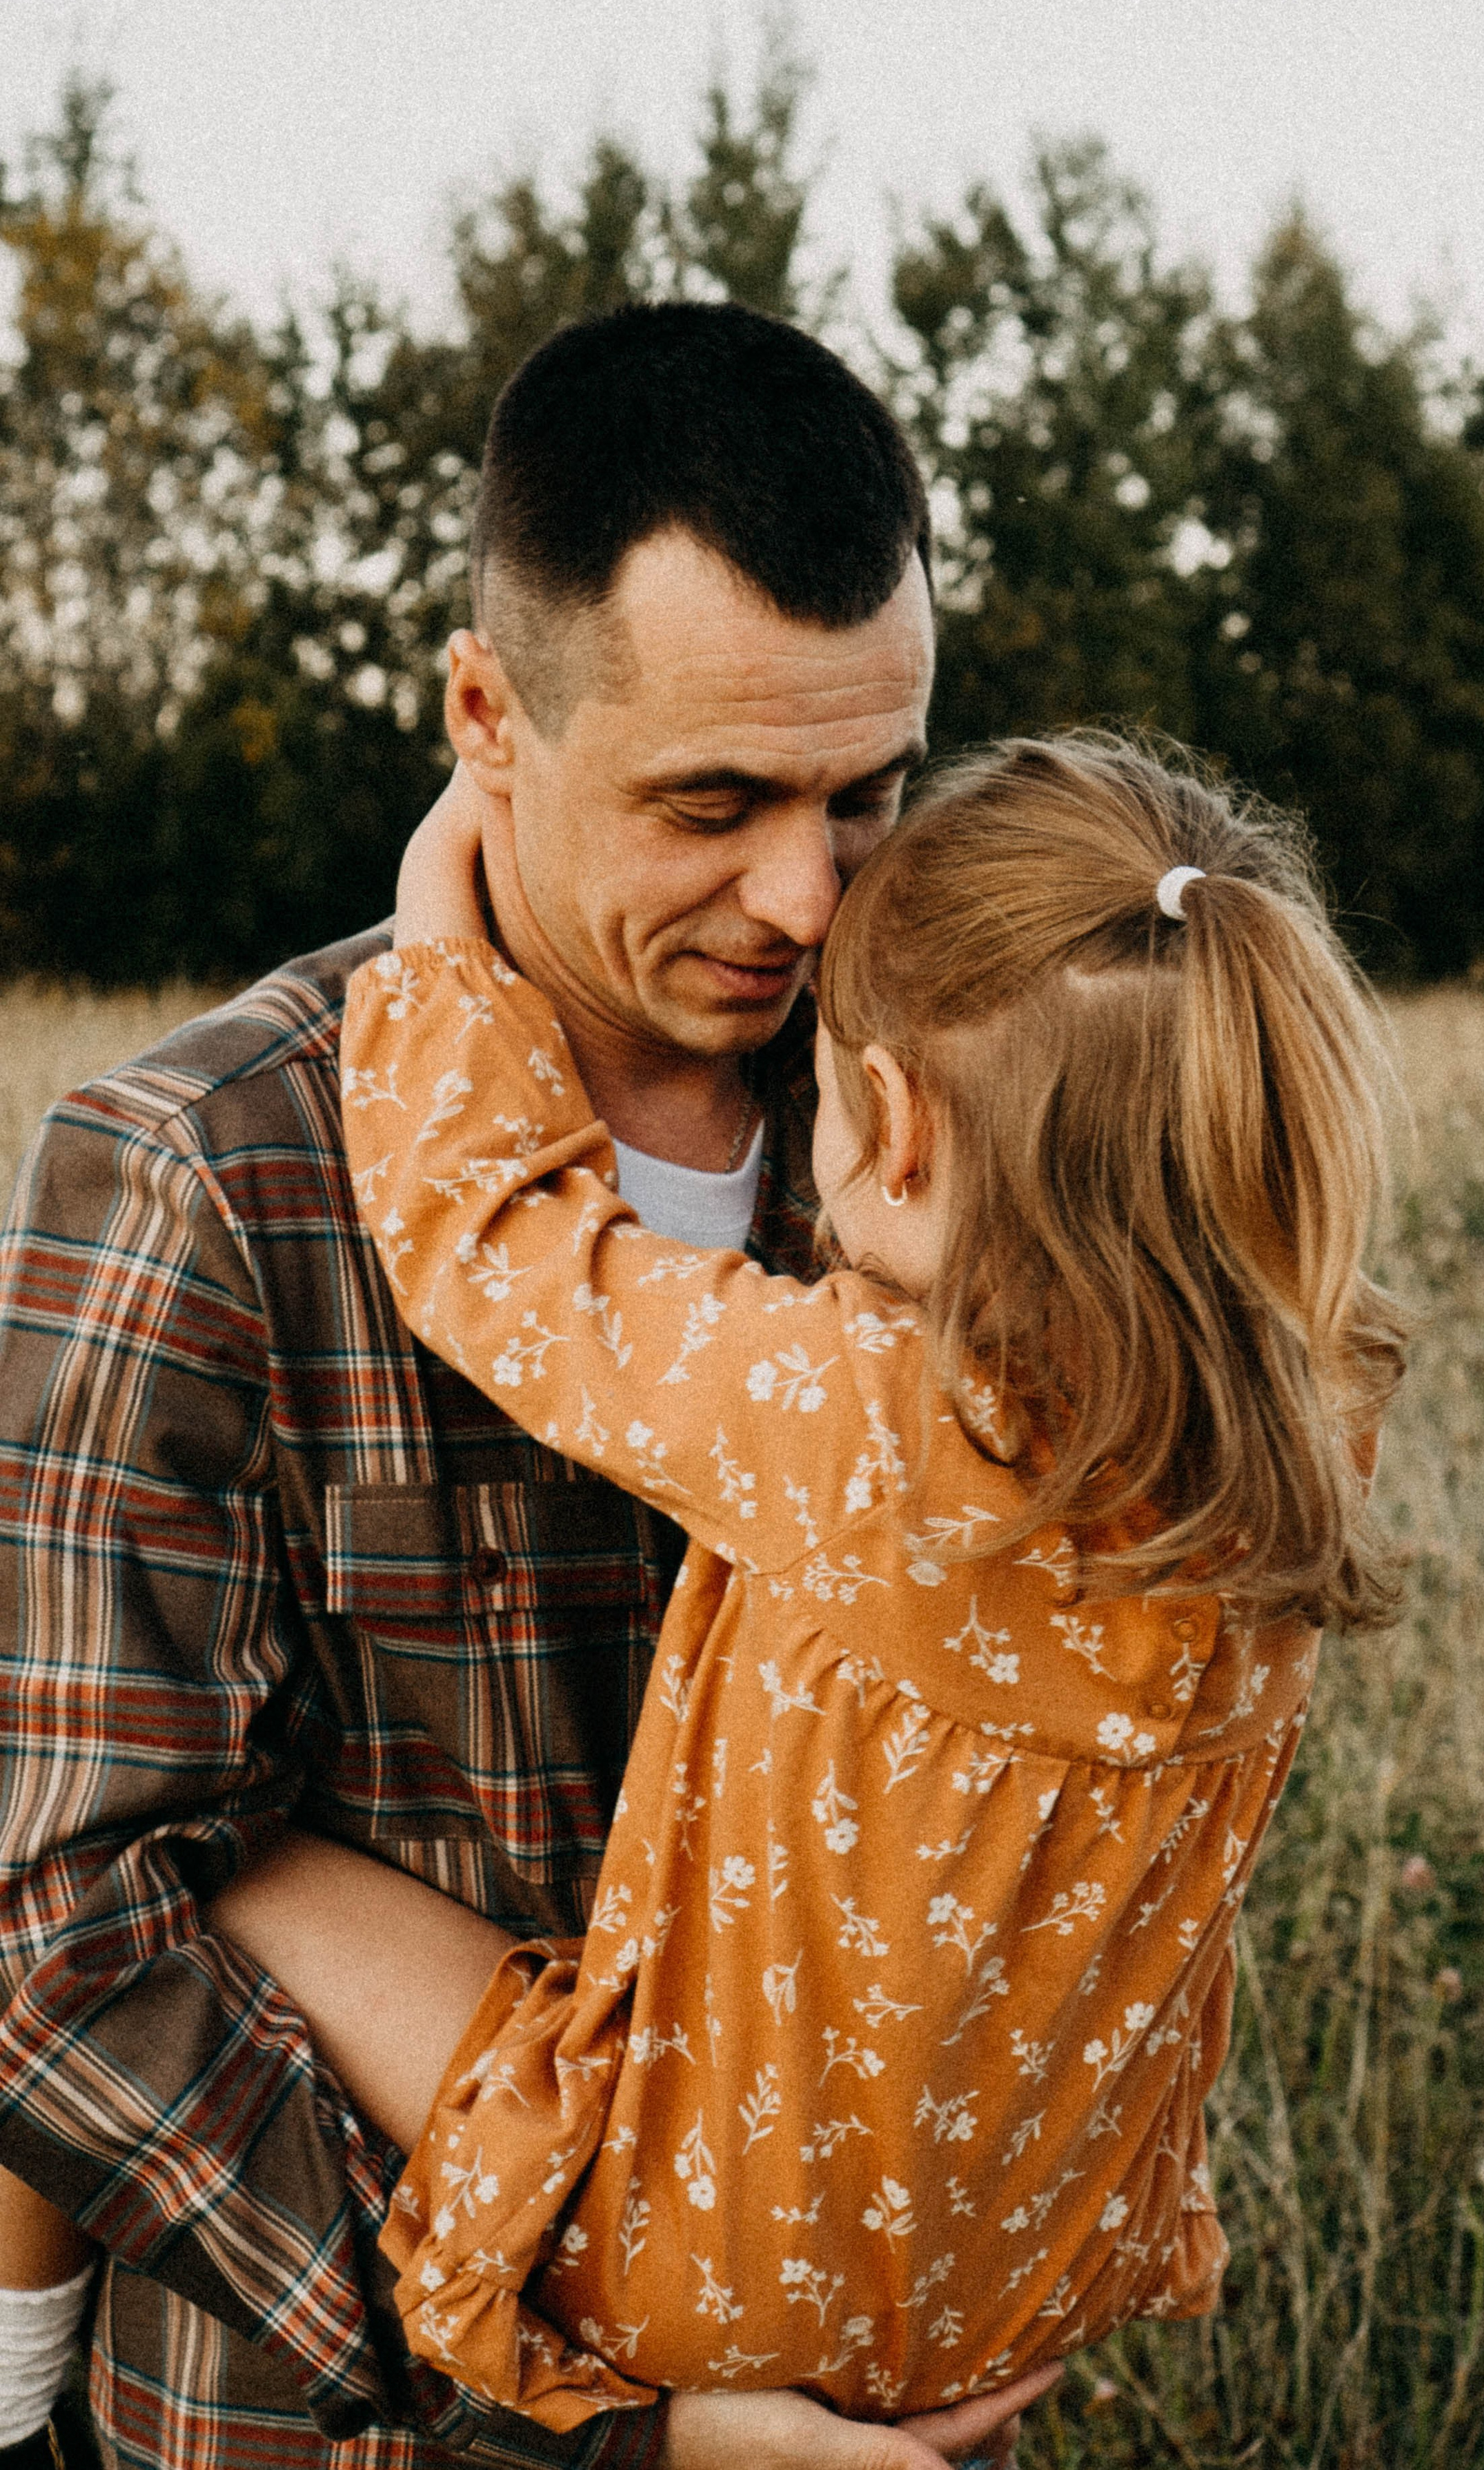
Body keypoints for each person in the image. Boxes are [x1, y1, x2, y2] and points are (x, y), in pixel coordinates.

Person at [0, 304, 1048, 2470]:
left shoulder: (971, 1155)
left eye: (871, 794)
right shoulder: (204, 1174)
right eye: (714, 801)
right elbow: (57, 1941)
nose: (804, 893)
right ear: (489, 713)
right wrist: (609, 2416)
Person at [196, 729, 1405, 2433]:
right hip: (1000, 2294)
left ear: (890, 1128)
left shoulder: (873, 1424)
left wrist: (435, 926)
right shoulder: (1305, 1450)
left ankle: (12, 2361)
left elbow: (496, 1253)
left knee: (236, 1870)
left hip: (700, 2269)